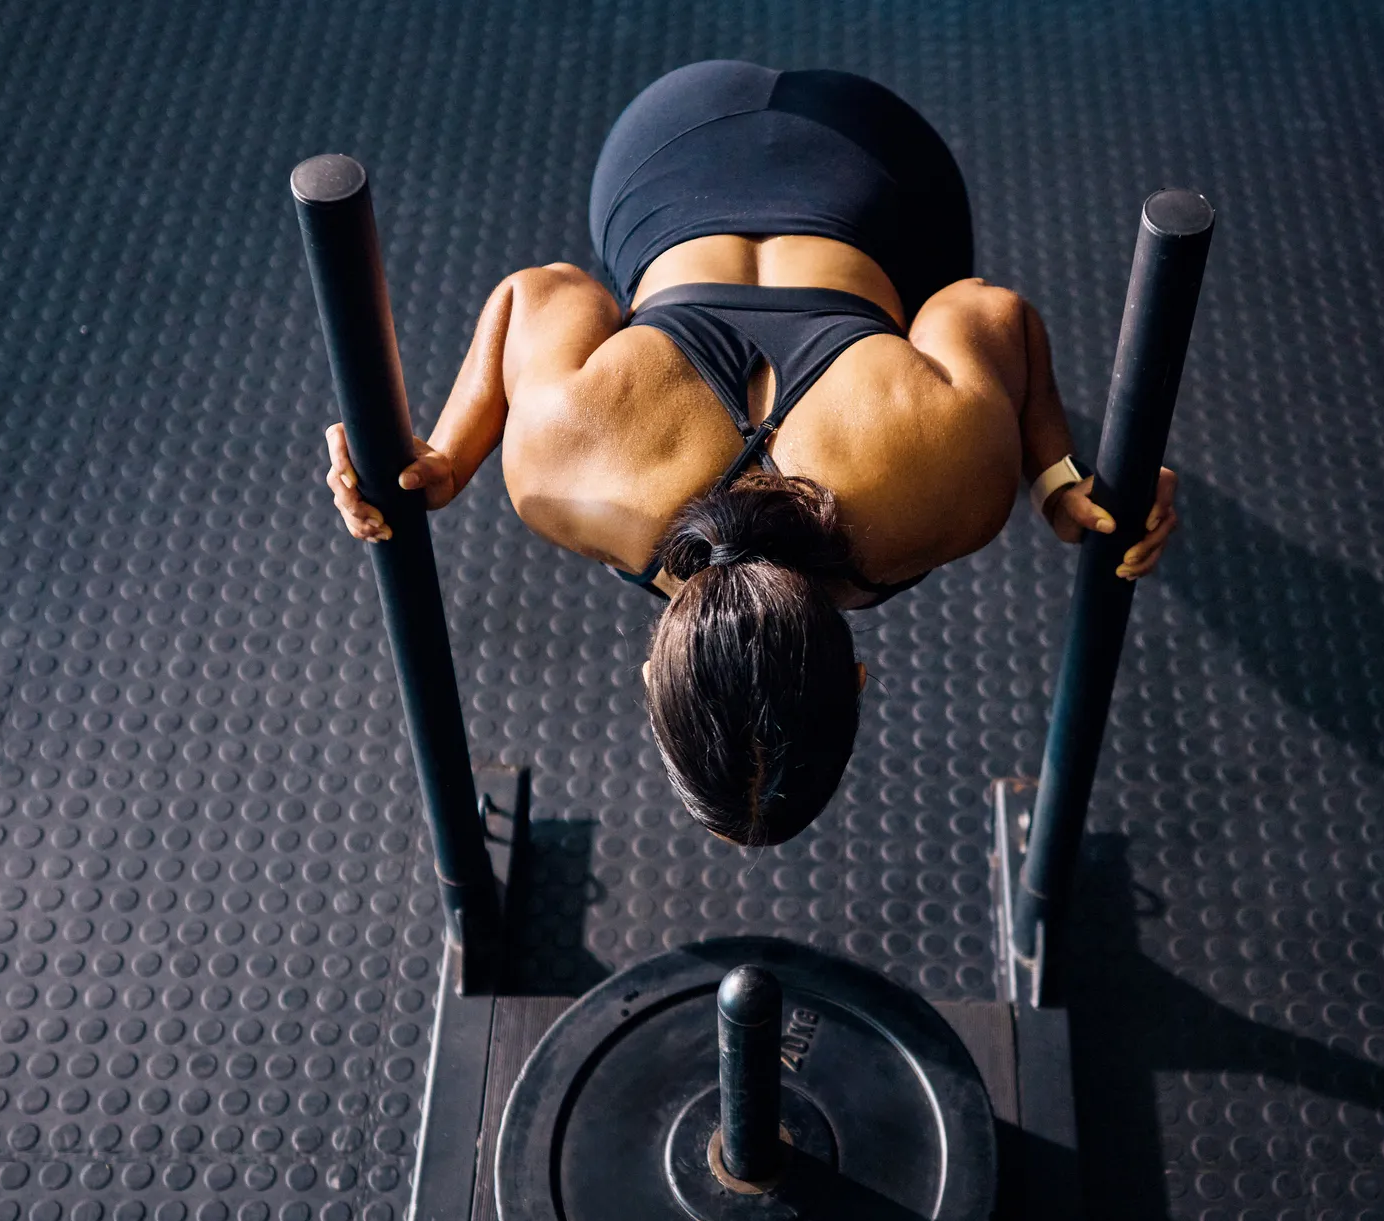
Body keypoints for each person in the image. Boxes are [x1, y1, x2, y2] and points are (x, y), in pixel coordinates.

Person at [324, 60, 1178, 846]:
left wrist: (1055, 480)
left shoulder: (947, 495)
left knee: (942, 326)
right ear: (654, 669)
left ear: (854, 678)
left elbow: (987, 309)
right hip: (670, 140)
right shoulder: (559, 475)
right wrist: (448, 457)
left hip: (875, 154)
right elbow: (541, 291)